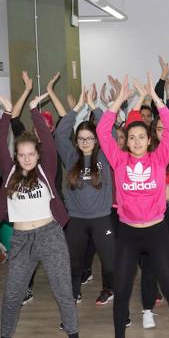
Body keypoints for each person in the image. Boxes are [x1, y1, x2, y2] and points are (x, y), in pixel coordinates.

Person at [97, 74, 169, 338]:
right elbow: (103, 132)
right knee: (121, 287)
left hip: (157, 232)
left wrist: (156, 100)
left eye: (142, 136)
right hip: (129, 233)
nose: (137, 141)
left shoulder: (159, 158)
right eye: (132, 137)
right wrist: (119, 101)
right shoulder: (118, 160)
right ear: (127, 141)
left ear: (148, 140)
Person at [0, 90, 87, 338]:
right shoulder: (9, 171)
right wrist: (7, 115)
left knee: (63, 291)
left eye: (31, 154)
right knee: (12, 295)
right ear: (17, 156)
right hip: (21, 240)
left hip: (49, 235)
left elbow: (49, 143)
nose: (28, 158)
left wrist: (33, 111)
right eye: (22, 154)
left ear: (37, 154)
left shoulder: (46, 168)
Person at [53, 85, 116, 306]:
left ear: (97, 140)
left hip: (101, 218)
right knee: (74, 264)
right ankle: (73, 295)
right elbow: (61, 134)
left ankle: (109, 289)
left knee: (109, 264)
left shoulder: (105, 156)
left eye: (89, 138)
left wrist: (94, 107)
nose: (85, 142)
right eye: (81, 138)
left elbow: (111, 132)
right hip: (77, 220)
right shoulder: (71, 157)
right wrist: (77, 108)